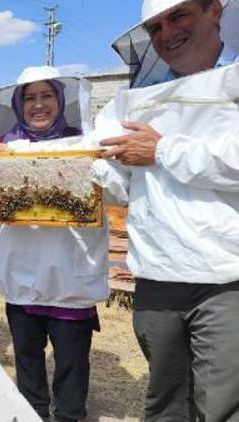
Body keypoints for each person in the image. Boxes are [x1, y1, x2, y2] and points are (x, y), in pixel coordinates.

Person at [92, 1, 239, 420]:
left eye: (178, 16)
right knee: (165, 403)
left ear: (215, 11)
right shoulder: (133, 102)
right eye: (155, 26)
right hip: (157, 277)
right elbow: (119, 185)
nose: (167, 32)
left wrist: (163, 150)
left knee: (222, 407)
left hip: (227, 280)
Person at [0, 66, 108, 422]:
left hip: (71, 278)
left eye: (46, 95)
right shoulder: (0, 148)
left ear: (60, 99)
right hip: (22, 274)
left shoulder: (84, 145)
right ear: (18, 105)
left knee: (71, 363)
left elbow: (113, 191)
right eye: (29, 98)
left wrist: (11, 155)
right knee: (27, 359)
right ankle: (31, 414)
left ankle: (70, 415)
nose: (38, 105)